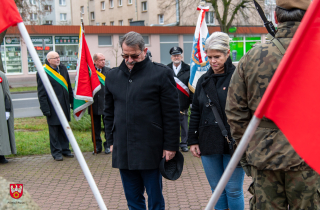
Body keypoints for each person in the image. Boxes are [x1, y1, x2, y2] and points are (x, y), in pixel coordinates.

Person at [225, 1, 320, 209]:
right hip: (308, 158)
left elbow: (234, 112)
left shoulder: (251, 57)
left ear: (276, 18)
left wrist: (249, 151)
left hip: (263, 157)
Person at [104, 31, 180, 210]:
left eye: (134, 56)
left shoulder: (161, 74)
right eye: (125, 55)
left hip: (151, 148)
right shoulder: (113, 76)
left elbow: (171, 113)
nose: (129, 60)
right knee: (133, 199)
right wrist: (111, 140)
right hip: (124, 148)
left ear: (144, 51)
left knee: (155, 199)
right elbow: (108, 113)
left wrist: (170, 146)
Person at [188, 32, 245, 210]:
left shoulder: (239, 77)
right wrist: (193, 140)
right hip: (208, 140)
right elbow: (195, 111)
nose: (213, 61)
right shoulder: (204, 80)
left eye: (217, 57)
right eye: (209, 57)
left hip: (234, 141)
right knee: (217, 189)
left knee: (234, 189)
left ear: (227, 53)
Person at [37, 51, 74, 161]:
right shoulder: (43, 71)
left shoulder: (62, 68)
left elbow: (68, 86)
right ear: (49, 60)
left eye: (58, 57)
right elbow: (41, 93)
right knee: (54, 131)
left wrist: (72, 101)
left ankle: (65, 149)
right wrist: (45, 109)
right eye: (55, 58)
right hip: (52, 107)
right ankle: (56, 152)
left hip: (64, 105)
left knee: (65, 129)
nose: (58, 59)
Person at [167, 46, 192, 152]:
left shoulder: (188, 68)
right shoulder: (166, 69)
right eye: (174, 55)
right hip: (170, 102)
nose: (176, 57)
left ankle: (184, 144)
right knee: (172, 125)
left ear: (181, 56)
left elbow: (191, 86)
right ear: (171, 57)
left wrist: (191, 101)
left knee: (184, 125)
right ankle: (174, 143)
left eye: (178, 55)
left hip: (184, 101)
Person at [89, 53, 111, 154]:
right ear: (95, 61)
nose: (103, 61)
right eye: (101, 60)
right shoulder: (89, 72)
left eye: (104, 59)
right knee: (95, 127)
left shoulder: (109, 71)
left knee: (107, 125)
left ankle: (108, 145)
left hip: (106, 103)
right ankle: (97, 146)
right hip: (94, 103)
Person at [0, 71, 16, 164]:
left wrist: (7, 109)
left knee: (1, 133)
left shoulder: (1, 75)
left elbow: (6, 94)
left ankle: (1, 155)